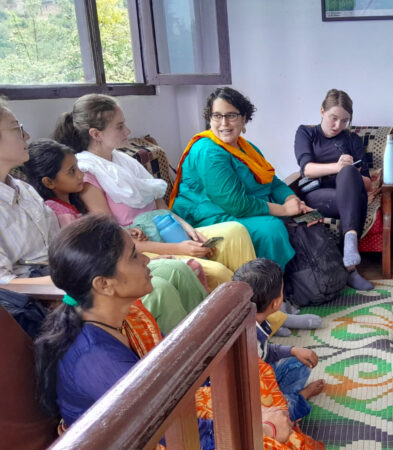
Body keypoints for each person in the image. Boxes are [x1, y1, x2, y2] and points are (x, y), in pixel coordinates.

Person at [34, 215, 331, 450]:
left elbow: (168, 368)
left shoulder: (130, 314)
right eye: (134, 257)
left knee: (255, 377)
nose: (147, 262)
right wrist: (258, 428)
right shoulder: (94, 359)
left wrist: (243, 404)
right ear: (104, 284)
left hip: (155, 410)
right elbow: (157, 430)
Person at [53, 94, 317, 332]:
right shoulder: (88, 173)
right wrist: (181, 247)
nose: (128, 131)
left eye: (232, 115)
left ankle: (267, 314)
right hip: (139, 246)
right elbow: (113, 240)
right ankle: (249, 325)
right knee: (225, 268)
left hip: (169, 229)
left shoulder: (124, 161)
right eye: (120, 126)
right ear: (96, 134)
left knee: (237, 232)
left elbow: (160, 205)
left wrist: (184, 227)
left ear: (244, 119)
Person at [0, 100, 205, 335]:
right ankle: (186, 365)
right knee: (157, 289)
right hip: (53, 290)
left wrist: (130, 259)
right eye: (17, 128)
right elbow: (5, 285)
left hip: (75, 271)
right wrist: (78, 282)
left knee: (175, 271)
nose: (26, 135)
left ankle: (216, 347)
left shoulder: (25, 191)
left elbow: (62, 248)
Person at [170, 86, 312, 271]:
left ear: (244, 118)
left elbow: (272, 181)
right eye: (217, 116)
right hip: (209, 215)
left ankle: (301, 283)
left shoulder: (245, 147)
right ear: (209, 119)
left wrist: (291, 199)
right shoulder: (208, 151)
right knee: (270, 230)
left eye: (231, 115)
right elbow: (234, 203)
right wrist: (284, 210)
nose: (224, 123)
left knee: (304, 217)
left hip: (237, 209)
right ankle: (269, 291)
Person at [294, 89, 374, 290]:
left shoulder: (352, 140)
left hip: (351, 194)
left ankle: (349, 243)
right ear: (322, 111)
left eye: (344, 120)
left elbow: (368, 183)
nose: (338, 125)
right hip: (319, 196)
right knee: (349, 187)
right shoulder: (307, 133)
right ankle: (351, 269)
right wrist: (337, 167)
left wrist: (351, 171)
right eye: (333, 118)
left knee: (349, 176)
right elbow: (307, 169)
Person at [232, 258, 325, 422]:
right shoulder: (249, 340)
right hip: (249, 401)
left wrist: (292, 350)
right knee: (283, 414)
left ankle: (287, 398)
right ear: (276, 303)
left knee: (301, 361)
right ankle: (299, 399)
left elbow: (266, 352)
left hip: (259, 379)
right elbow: (251, 395)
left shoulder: (248, 320)